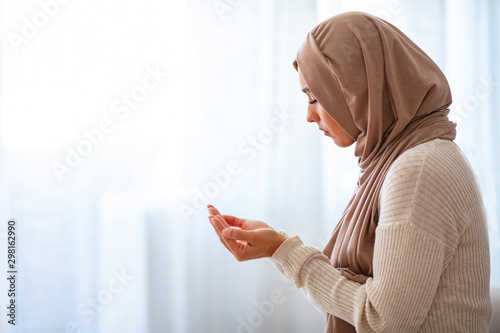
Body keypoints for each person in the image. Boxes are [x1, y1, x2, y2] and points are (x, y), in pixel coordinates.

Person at [207, 11, 493, 333]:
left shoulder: (416, 171)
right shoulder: (402, 158)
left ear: (359, 90)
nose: (309, 116)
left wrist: (283, 250)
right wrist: (277, 246)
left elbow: (380, 320)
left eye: (315, 97)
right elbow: (359, 307)